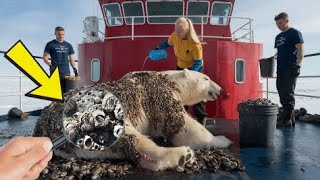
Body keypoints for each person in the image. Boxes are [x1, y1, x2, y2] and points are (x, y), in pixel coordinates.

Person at [156, 17, 208, 126]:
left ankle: (202, 119)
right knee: (181, 93)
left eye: (181, 31)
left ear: (187, 30)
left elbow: (198, 62)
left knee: (196, 93)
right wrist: (159, 47)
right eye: (176, 30)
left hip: (195, 68)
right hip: (181, 67)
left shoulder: (195, 44)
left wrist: (190, 74)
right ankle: (183, 119)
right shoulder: (175, 36)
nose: (178, 34)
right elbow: (168, 43)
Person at [272, 12, 304, 127]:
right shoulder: (278, 37)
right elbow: (280, 51)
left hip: (290, 67)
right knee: (281, 91)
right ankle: (290, 117)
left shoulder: (294, 33)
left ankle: (286, 120)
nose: (278, 25)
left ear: (286, 21)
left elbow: (300, 50)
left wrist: (298, 65)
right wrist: (273, 57)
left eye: (280, 23)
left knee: (288, 94)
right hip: (280, 68)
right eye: (277, 24)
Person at [43, 26, 79, 94]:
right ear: (55, 34)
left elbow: (71, 58)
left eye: (62, 34)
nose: (61, 36)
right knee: (56, 94)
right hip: (55, 72)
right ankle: (56, 104)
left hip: (66, 72)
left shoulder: (68, 45)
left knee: (67, 93)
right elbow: (45, 57)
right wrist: (51, 65)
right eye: (59, 34)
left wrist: (74, 69)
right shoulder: (50, 44)